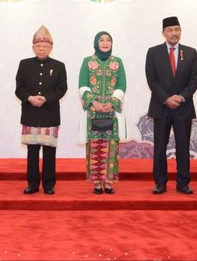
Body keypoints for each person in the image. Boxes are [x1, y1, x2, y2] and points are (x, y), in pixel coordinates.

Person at [145, 16, 197, 195]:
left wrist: (182, 97)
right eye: (170, 30)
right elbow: (151, 79)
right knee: (160, 147)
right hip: (161, 106)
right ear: (163, 33)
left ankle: (183, 182)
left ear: (180, 31)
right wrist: (166, 98)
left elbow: (195, 78)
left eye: (177, 29)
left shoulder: (191, 52)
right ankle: (160, 182)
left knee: (183, 147)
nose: (174, 33)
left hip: (183, 107)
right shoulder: (153, 52)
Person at [15, 25, 67, 195]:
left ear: (51, 48)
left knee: (50, 152)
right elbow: (19, 88)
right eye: (38, 46)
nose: (42, 49)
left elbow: (62, 89)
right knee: (32, 151)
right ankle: (32, 184)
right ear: (33, 47)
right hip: (30, 113)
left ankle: (49, 184)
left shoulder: (59, 66)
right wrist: (29, 98)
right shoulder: (24, 64)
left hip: (49, 114)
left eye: (45, 46)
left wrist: (46, 99)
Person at [78, 31, 126, 194]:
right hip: (93, 112)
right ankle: (97, 182)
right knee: (95, 147)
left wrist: (112, 103)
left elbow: (121, 86)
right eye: (102, 40)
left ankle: (109, 181)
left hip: (112, 112)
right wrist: (95, 102)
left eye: (108, 40)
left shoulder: (117, 62)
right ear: (96, 43)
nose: (105, 43)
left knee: (111, 146)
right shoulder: (88, 62)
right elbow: (82, 85)